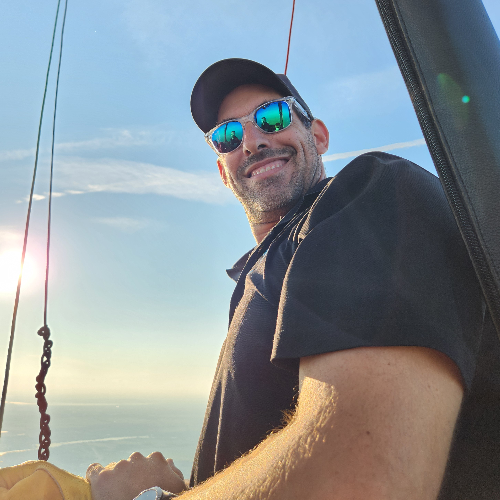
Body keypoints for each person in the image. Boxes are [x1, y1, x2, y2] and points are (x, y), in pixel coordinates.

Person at [86, 58, 499, 500]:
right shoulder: (265, 274)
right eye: (227, 136)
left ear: (317, 135)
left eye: (272, 116)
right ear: (223, 172)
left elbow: (358, 481)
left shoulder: (373, 196)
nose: (252, 141)